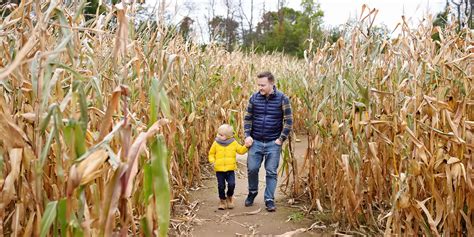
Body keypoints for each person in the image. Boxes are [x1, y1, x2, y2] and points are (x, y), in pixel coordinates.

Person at [243, 71, 293, 212]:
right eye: (258, 85)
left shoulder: (282, 99)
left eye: (263, 85)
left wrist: (280, 139)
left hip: (273, 142)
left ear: (271, 83)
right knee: (252, 169)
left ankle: (269, 199)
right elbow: (248, 118)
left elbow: (288, 121)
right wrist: (247, 135)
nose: (260, 88)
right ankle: (252, 192)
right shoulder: (254, 98)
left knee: (271, 172)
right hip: (256, 141)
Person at [208, 124, 249, 210]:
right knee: (221, 186)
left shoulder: (233, 143)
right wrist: (212, 161)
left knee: (232, 184)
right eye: (218, 134)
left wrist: (246, 146)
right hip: (219, 169)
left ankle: (229, 197)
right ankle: (222, 200)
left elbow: (241, 151)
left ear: (228, 136)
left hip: (230, 169)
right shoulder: (216, 143)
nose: (218, 136)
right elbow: (211, 154)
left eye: (221, 135)